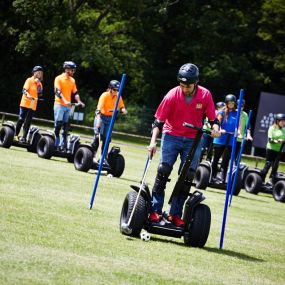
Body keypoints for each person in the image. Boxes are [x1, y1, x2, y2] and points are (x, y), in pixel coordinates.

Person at [147, 63, 220, 227]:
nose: (184, 88)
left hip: (194, 139)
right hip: (171, 135)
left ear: (196, 82)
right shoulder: (172, 95)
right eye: (182, 84)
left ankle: (175, 214)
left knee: (187, 177)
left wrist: (215, 130)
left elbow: (213, 120)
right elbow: (158, 122)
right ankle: (155, 211)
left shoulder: (205, 95)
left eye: (188, 85)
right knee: (163, 171)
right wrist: (152, 143)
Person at [54, 61, 85, 150]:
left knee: (66, 126)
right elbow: (57, 92)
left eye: (73, 70)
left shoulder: (72, 80)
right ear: (67, 69)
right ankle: (55, 144)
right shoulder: (58, 78)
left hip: (68, 107)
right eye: (72, 70)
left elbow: (75, 92)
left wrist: (79, 101)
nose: (73, 72)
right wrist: (65, 100)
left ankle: (63, 146)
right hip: (59, 105)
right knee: (58, 125)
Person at [92, 80, 127, 157]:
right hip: (101, 117)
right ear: (110, 89)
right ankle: (92, 156)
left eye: (118, 90)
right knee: (98, 137)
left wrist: (123, 110)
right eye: (114, 90)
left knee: (107, 139)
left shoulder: (118, 96)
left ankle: (103, 157)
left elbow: (121, 106)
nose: (116, 91)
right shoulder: (104, 95)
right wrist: (98, 120)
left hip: (110, 119)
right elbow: (98, 109)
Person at [211, 94, 238, 183]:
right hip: (220, 138)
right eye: (229, 103)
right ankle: (212, 176)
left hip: (230, 139)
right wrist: (220, 129)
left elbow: (239, 125)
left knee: (226, 160)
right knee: (216, 158)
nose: (231, 104)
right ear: (226, 103)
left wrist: (238, 131)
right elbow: (217, 122)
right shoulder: (222, 112)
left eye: (232, 103)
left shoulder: (237, 113)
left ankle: (222, 178)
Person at [15, 66, 44, 142]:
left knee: (28, 121)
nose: (40, 74)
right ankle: (15, 135)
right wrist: (27, 95)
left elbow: (40, 94)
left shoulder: (39, 84)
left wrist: (38, 84)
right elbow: (24, 90)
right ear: (34, 72)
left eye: (41, 73)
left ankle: (24, 137)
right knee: (21, 119)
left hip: (32, 103)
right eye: (38, 72)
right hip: (25, 102)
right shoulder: (29, 80)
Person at [260, 113, 285, 183]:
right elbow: (270, 140)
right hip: (270, 149)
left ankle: (271, 181)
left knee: (275, 166)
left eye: (284, 121)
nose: (283, 123)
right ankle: (261, 180)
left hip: (279, 151)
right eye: (282, 121)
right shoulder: (272, 128)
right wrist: (277, 141)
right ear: (277, 121)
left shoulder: (284, 130)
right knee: (268, 164)